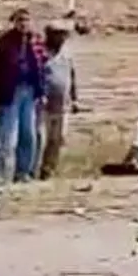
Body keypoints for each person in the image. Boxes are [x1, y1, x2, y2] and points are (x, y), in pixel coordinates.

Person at [0, 7, 46, 182]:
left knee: (28, 134)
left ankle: (23, 173)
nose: (24, 24)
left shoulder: (36, 41)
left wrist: (42, 93)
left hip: (30, 91)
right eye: (20, 20)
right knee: (8, 135)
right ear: (14, 22)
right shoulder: (4, 42)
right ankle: (3, 174)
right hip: (10, 92)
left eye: (26, 20)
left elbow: (42, 68)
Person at [39, 23, 78, 179]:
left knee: (59, 138)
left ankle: (49, 169)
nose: (62, 38)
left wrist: (75, 99)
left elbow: (72, 77)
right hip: (45, 105)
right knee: (43, 138)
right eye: (58, 34)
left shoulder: (67, 55)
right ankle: (36, 168)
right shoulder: (41, 54)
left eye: (64, 35)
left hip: (63, 104)